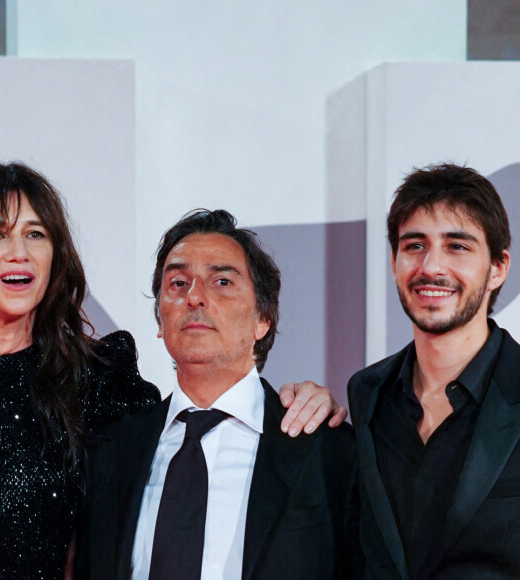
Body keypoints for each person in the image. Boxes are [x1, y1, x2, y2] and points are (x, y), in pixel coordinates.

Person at [0, 163, 342, 579]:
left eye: (35, 234)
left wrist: (309, 400)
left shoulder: (96, 381)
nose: (18, 252)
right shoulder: (129, 439)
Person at [75, 209, 358, 580]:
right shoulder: (110, 452)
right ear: (160, 320)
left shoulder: (328, 451)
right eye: (178, 283)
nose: (195, 297)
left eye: (222, 281)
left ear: (263, 319)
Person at [348, 163, 519, 579]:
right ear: (393, 262)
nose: (432, 267)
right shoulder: (366, 393)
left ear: (498, 268)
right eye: (415, 246)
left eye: (457, 246)